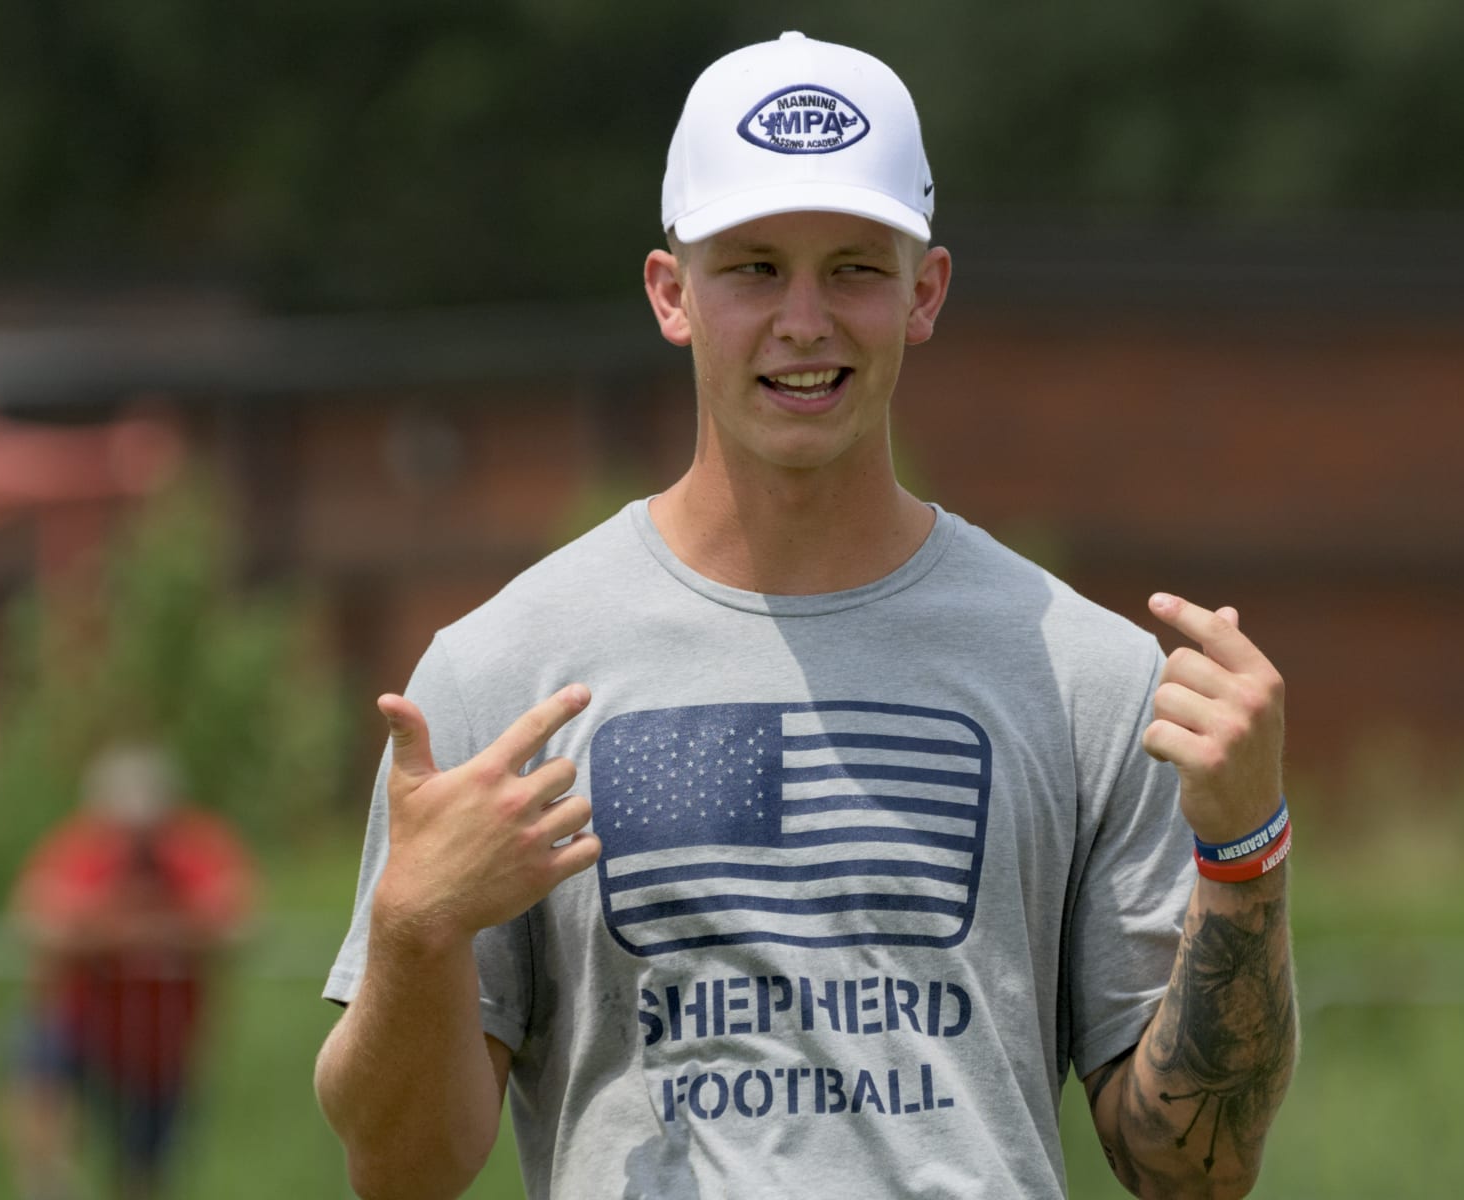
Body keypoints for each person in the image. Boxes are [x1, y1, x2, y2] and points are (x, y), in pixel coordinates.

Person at [317, 31, 1295, 1199]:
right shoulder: (501, 675)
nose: (803, 318)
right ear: (671, 294)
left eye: (853, 268)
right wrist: (416, 933)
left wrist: (1243, 852)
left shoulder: (1088, 675)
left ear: (923, 292)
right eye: (752, 268)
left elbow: (1196, 1169)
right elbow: (403, 1170)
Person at [3, 744, 255, 1200]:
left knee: (143, 1174)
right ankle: (48, 1183)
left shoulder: (195, 851)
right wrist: (136, 930)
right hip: (81, 1025)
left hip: (161, 1046)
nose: (137, 837)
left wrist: (130, 930)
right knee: (33, 1061)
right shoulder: (81, 850)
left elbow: (237, 923)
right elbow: (39, 919)